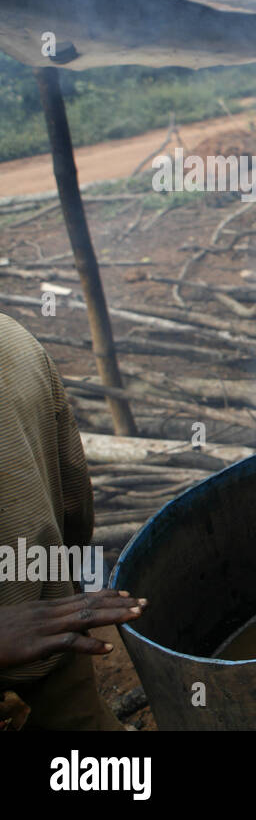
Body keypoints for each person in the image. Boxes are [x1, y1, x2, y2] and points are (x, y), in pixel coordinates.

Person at [0, 313, 146, 731]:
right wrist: (64, 579)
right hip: (47, 625)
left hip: (40, 626)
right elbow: (74, 503)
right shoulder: (12, 341)